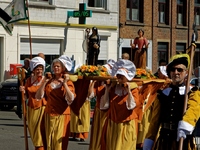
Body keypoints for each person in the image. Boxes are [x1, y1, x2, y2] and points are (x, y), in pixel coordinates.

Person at [143, 54, 200, 150]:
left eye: (180, 70)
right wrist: (149, 139)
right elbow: (154, 121)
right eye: (173, 70)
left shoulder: (192, 92)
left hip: (184, 140)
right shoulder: (162, 94)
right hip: (165, 141)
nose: (176, 72)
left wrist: (186, 124)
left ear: (186, 72)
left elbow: (194, 109)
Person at [95, 59, 140, 150]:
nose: (119, 78)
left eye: (121, 76)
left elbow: (131, 106)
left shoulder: (133, 89)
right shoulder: (113, 88)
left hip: (127, 125)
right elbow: (104, 106)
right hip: (113, 125)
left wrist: (128, 91)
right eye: (118, 76)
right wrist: (107, 89)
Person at [35, 55, 76, 150]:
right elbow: (38, 96)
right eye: (54, 66)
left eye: (58, 66)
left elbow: (71, 99)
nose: (55, 68)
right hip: (49, 114)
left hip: (61, 115)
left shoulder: (68, 82)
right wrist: (44, 81)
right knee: (49, 141)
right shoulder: (49, 81)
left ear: (63, 68)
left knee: (58, 144)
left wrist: (64, 83)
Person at [19, 57, 47, 150]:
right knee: (32, 130)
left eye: (41, 69)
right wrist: (22, 91)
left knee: (39, 131)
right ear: (34, 70)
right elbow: (26, 96)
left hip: (42, 108)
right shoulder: (28, 81)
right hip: (31, 108)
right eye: (37, 69)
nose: (39, 71)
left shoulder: (45, 80)